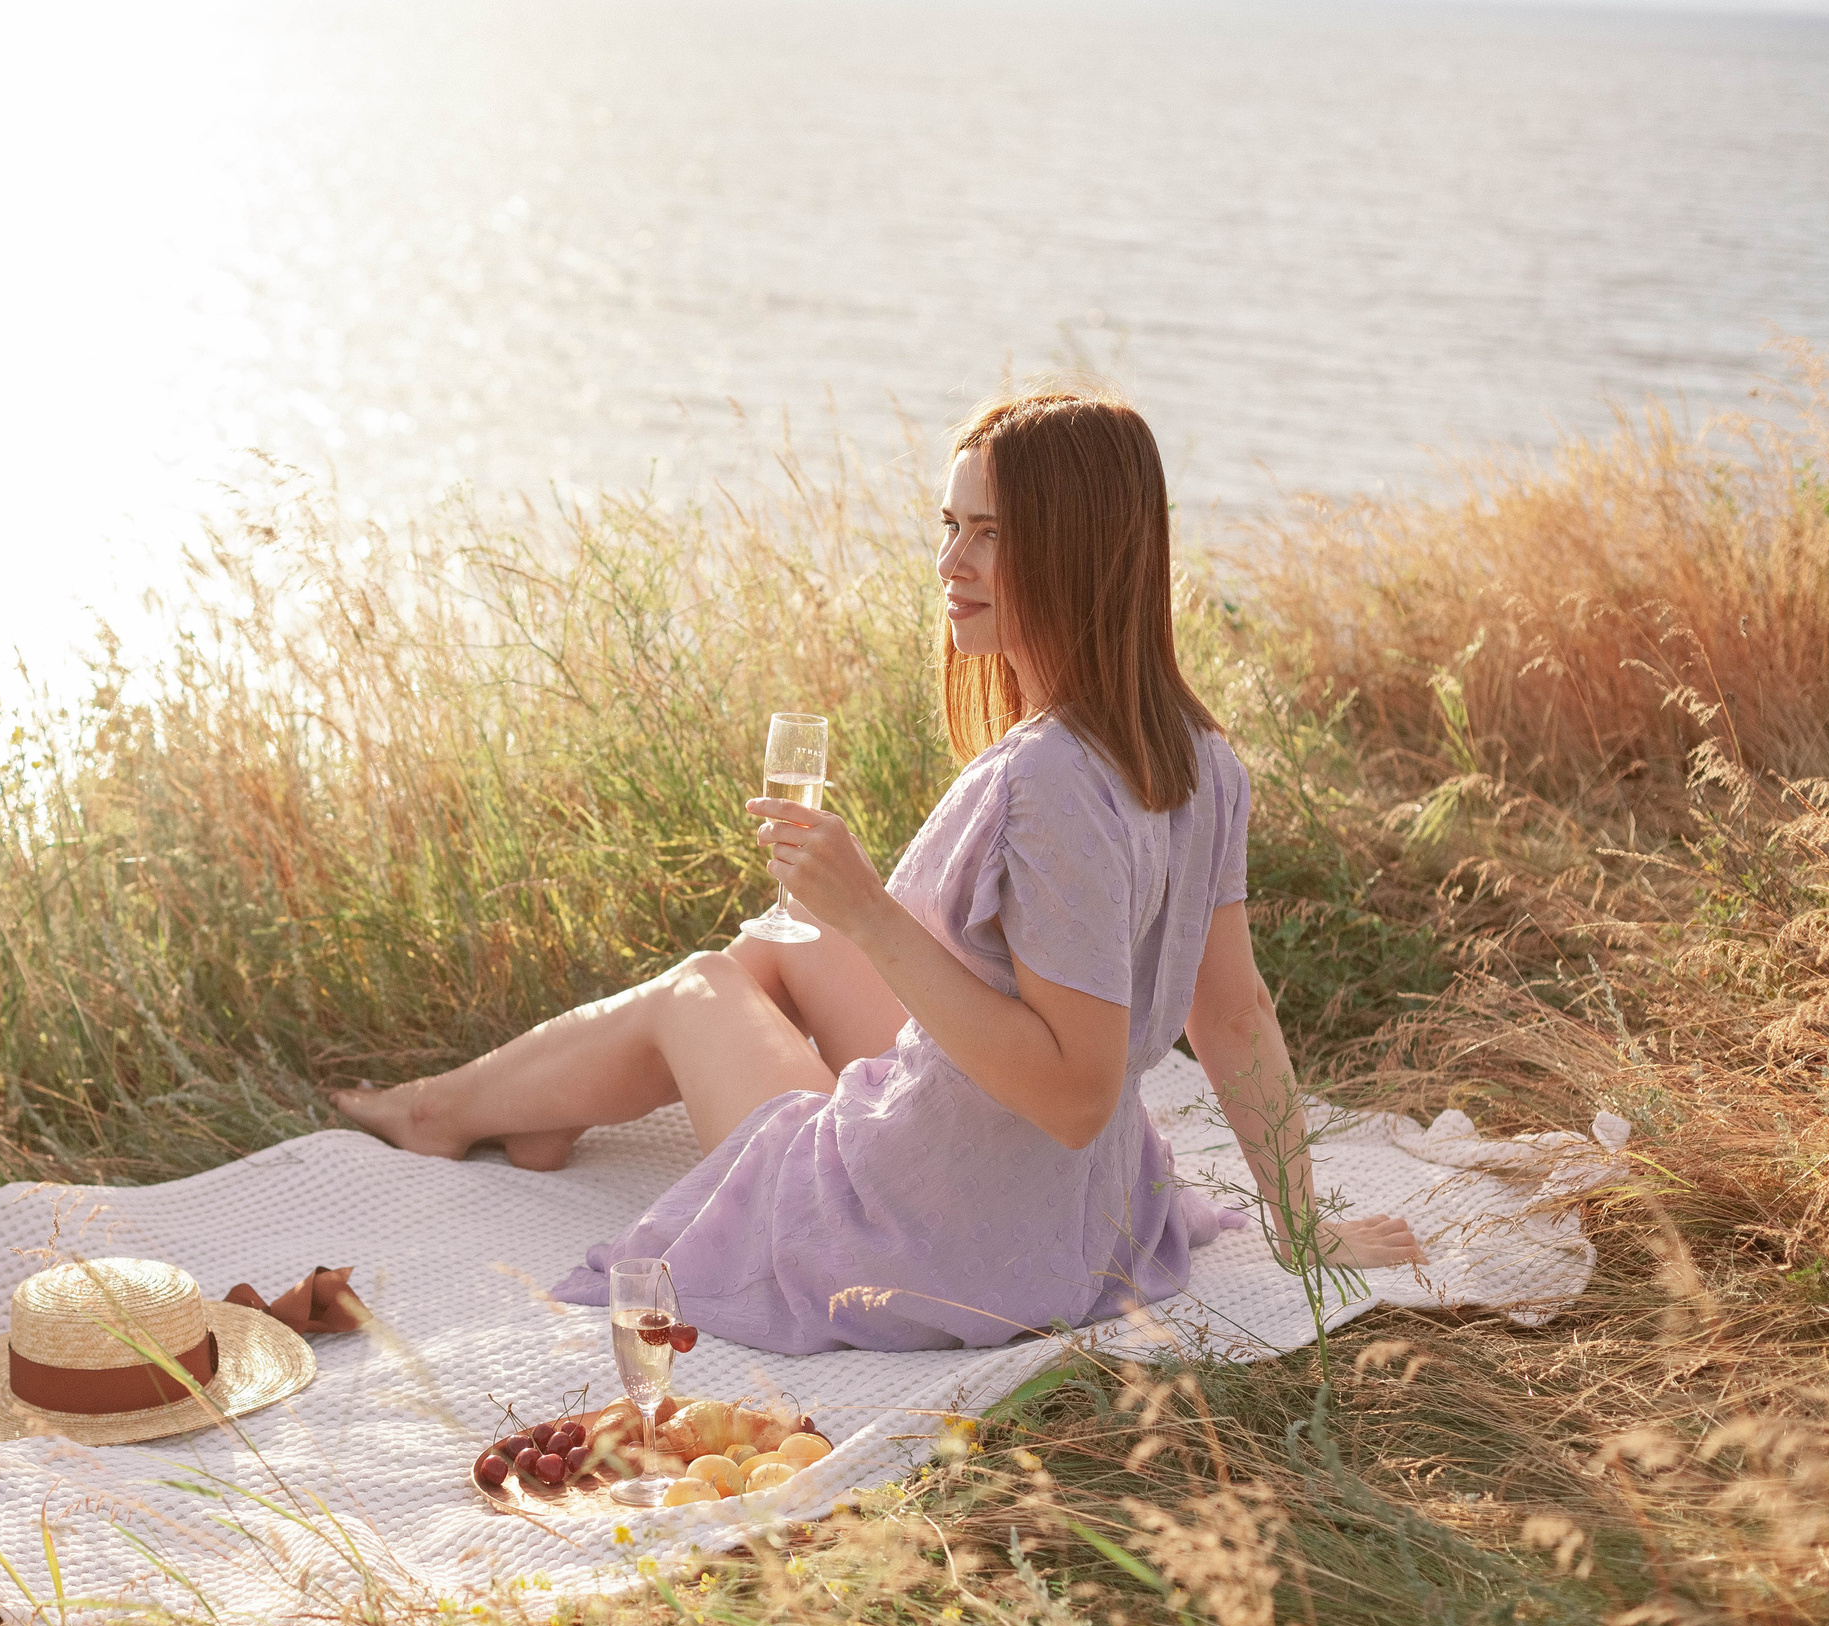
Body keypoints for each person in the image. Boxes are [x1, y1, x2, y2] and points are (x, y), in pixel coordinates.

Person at [330, 383, 1424, 1354]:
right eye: (950, 526)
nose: (950, 564)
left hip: (942, 1240)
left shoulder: (1045, 781)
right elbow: (1231, 1015)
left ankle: (439, 1113)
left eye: (990, 535)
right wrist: (1303, 1220)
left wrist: (868, 913)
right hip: (1083, 1218)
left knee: (704, 984)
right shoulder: (1198, 756)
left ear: (1082, 548)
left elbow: (1076, 1094)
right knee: (773, 948)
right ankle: (525, 1112)